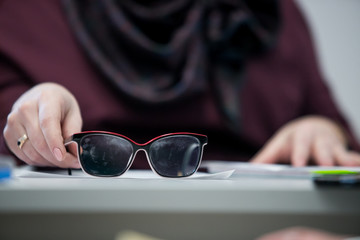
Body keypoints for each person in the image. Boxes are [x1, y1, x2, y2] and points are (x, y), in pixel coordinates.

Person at [1, 0, 360, 169]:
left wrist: (320, 130)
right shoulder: (22, 12)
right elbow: (12, 126)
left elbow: (337, 132)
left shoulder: (270, 15)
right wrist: (31, 109)